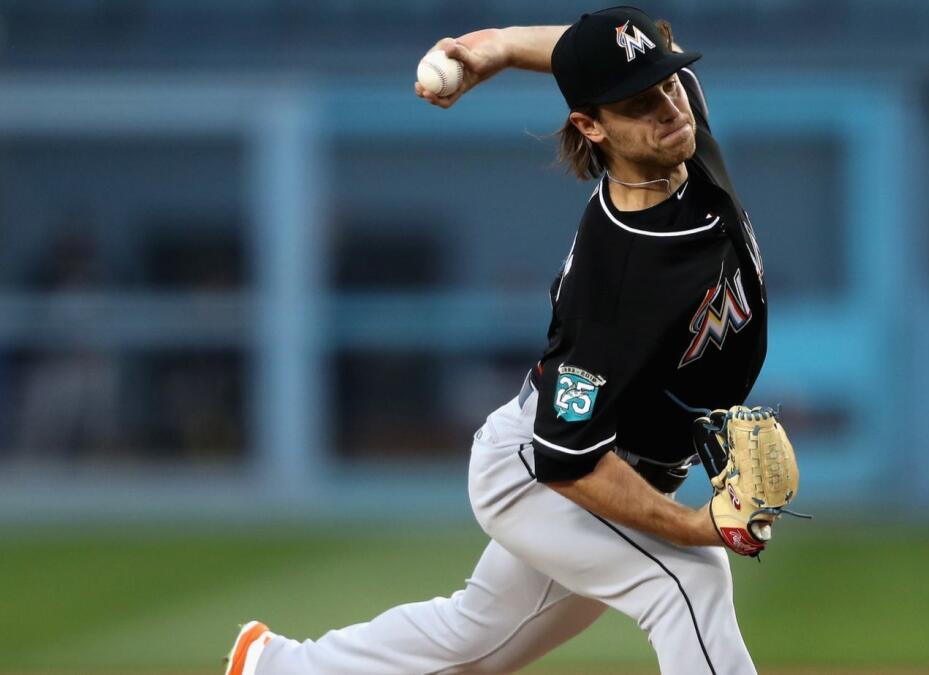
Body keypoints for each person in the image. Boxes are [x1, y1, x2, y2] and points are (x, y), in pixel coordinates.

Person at [226, 7, 774, 674]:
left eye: (667, 84)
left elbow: (618, 56)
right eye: (641, 102)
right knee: (689, 577)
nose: (670, 106)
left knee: (476, 639)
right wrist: (694, 525)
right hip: (541, 472)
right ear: (591, 126)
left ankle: (276, 667)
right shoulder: (615, 283)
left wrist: (504, 48)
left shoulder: (680, 136)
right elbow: (567, 460)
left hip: (611, 464)